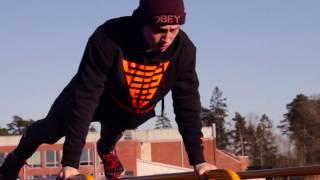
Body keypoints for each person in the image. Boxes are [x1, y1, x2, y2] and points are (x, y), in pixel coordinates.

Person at [0, 0, 216, 179]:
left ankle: (106, 147)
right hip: (89, 96)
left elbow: (187, 105)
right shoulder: (108, 38)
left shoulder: (184, 50)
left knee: (128, 114)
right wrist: (71, 162)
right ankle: (16, 158)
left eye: (174, 30)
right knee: (50, 131)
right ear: (142, 23)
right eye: (160, 30)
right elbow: (85, 100)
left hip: (128, 106)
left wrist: (199, 161)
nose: (167, 38)